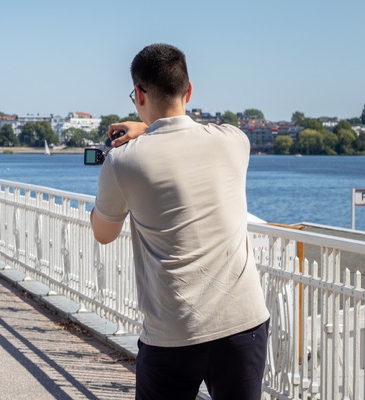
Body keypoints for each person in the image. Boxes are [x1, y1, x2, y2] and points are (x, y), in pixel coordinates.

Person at [90, 43, 270, 400]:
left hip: (173, 332)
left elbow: (104, 233)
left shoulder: (123, 163)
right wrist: (149, 127)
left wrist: (139, 137)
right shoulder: (236, 141)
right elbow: (188, 132)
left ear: (139, 94)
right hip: (243, 322)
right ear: (189, 90)